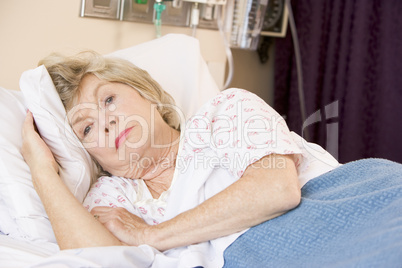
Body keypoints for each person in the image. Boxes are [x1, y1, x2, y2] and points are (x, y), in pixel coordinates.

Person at [21, 51, 339, 266]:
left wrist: (151, 235)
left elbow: (276, 190)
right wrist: (43, 173)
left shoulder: (223, 113)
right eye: (87, 127)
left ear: (146, 93)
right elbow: (96, 262)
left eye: (108, 99)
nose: (106, 122)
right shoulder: (112, 200)